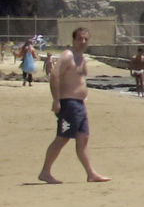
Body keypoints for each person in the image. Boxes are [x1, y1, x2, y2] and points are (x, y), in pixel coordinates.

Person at [39, 28, 109, 183]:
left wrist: (83, 98)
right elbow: (55, 75)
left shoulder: (82, 58)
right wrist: (56, 100)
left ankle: (91, 174)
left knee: (83, 139)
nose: (82, 41)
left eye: (85, 39)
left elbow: (79, 81)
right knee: (62, 137)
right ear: (74, 40)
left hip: (79, 105)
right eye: (79, 38)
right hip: (68, 104)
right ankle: (45, 172)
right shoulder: (67, 55)